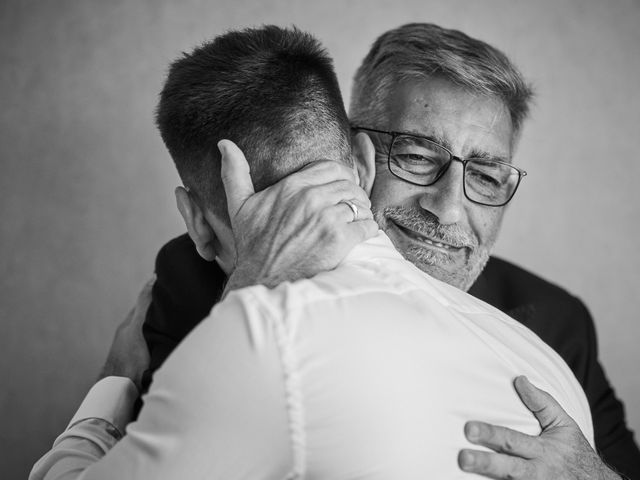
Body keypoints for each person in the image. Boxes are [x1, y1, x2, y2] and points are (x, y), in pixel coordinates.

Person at [31, 25, 599, 480]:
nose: (448, 210)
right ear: (362, 159)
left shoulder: (555, 346)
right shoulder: (195, 286)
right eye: (419, 156)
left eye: (487, 175)